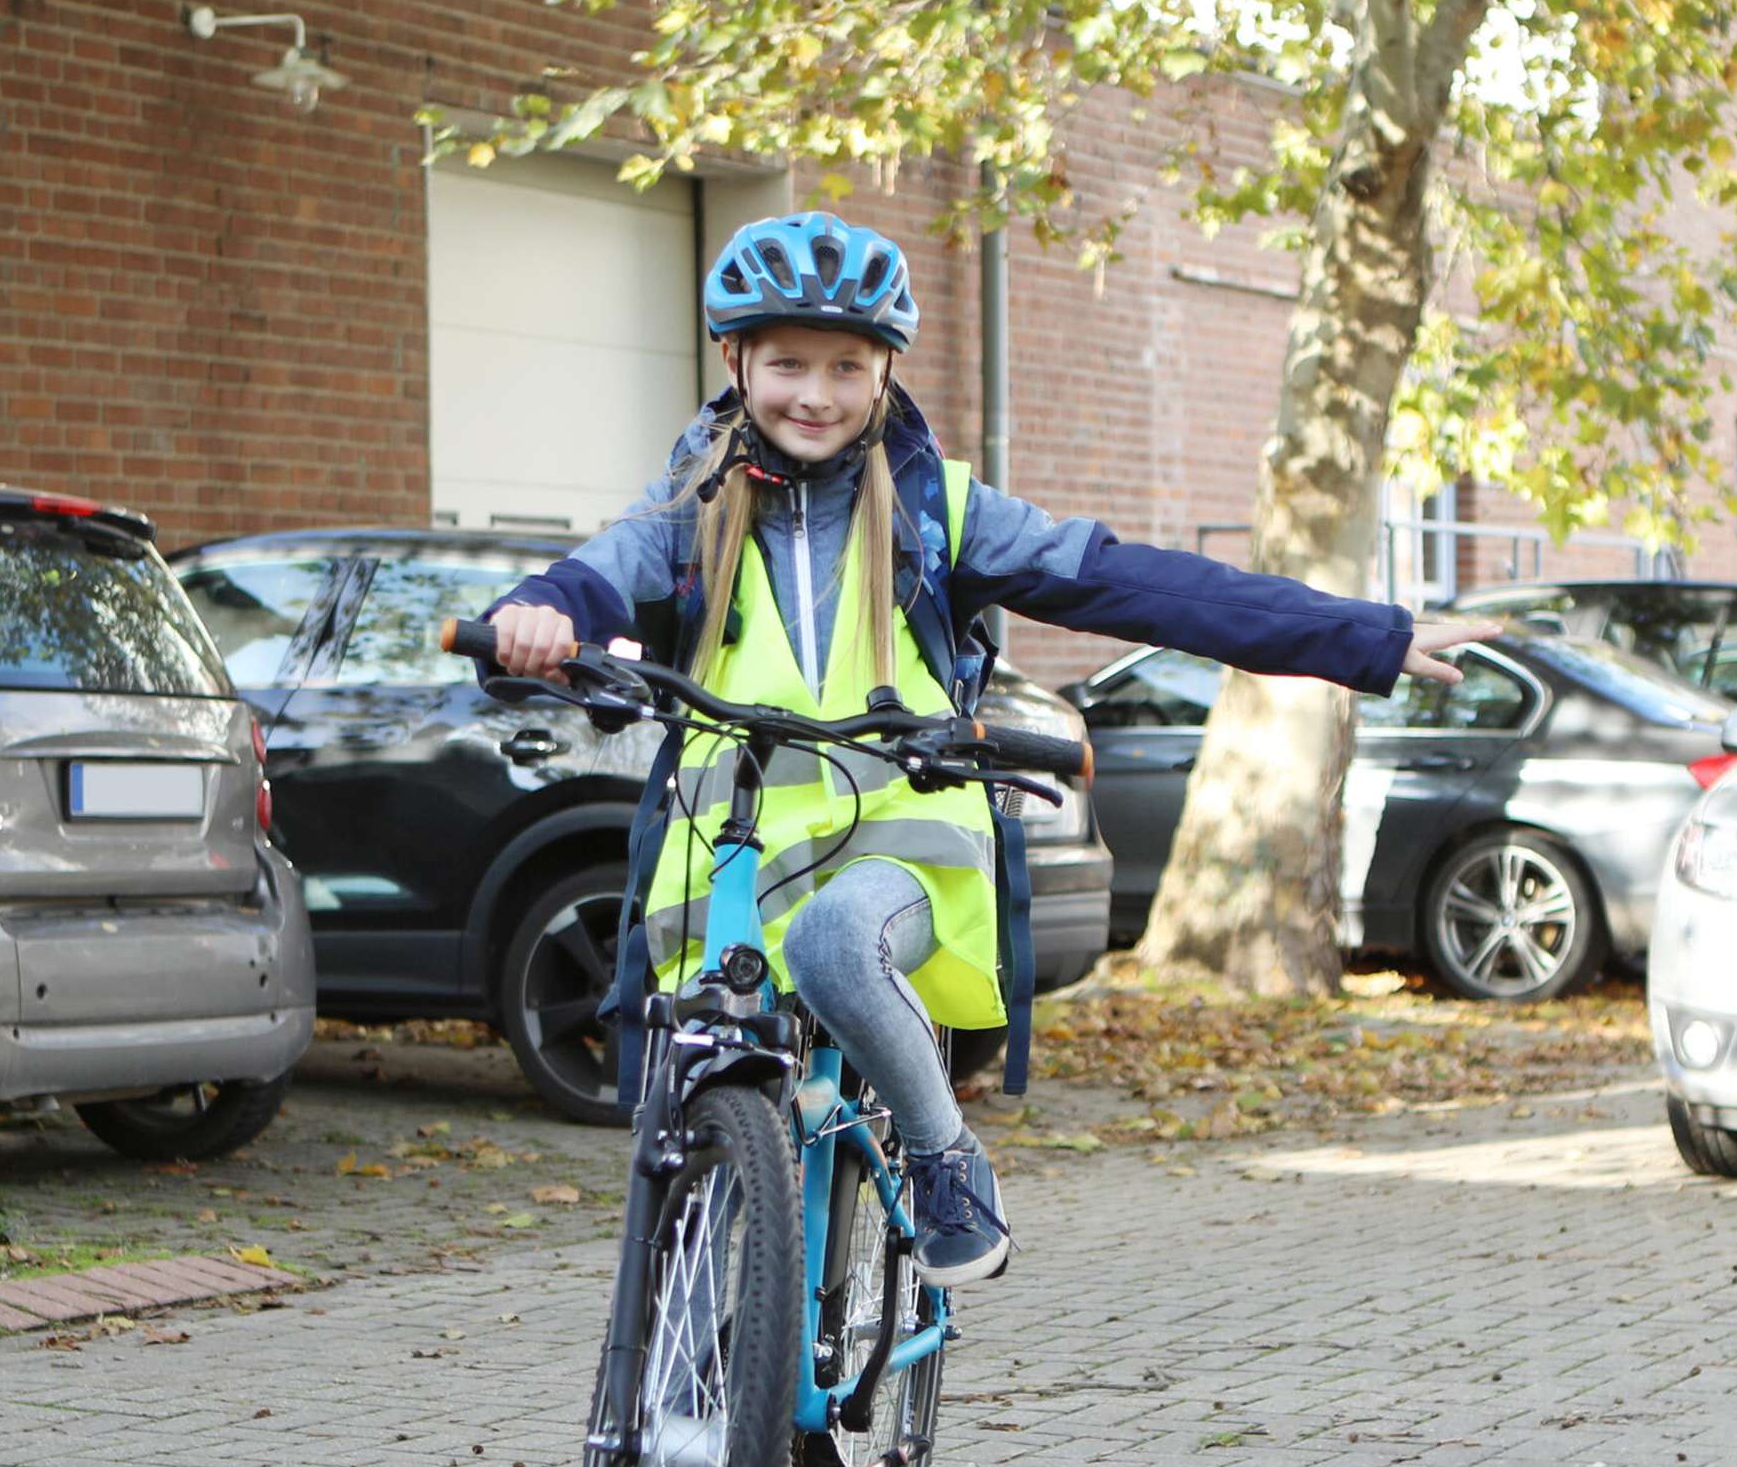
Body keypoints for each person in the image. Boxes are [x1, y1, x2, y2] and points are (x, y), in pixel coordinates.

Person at [484, 212, 1485, 1289]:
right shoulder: (687, 511)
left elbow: (1137, 584)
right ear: (736, 362)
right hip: (728, 855)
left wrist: (1362, 636)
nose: (814, 394)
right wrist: (532, 618)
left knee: (833, 943)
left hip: (897, 846)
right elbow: (584, 581)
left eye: (845, 366)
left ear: (884, 372)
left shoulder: (937, 511)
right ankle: (694, 1348)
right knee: (695, 1095)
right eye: (787, 365)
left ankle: (941, 1154)